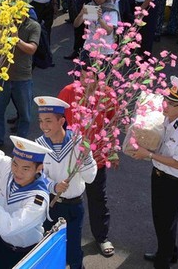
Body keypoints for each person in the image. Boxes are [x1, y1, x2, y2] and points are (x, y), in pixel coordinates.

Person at [131, 76, 178, 269]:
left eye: (171, 102)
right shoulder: (168, 119)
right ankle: (170, 253)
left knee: (164, 223)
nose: (165, 105)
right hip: (160, 176)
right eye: (166, 100)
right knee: (165, 220)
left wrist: (150, 155)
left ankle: (163, 262)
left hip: (173, 182)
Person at [0, 106, 52, 269]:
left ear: (39, 169)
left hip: (23, 254)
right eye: (15, 164)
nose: (17, 172)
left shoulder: (38, 199)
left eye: (25, 168)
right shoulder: (9, 168)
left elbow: (9, 227)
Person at [58, 75, 119, 258]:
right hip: (69, 157)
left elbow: (112, 124)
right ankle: (57, 237)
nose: (88, 79)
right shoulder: (68, 92)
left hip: (96, 157)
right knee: (63, 198)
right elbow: (56, 119)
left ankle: (101, 237)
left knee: (97, 198)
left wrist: (113, 151)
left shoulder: (108, 95)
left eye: (95, 74)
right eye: (85, 72)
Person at [33, 96, 97, 268]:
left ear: (61, 121)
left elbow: (90, 177)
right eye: (40, 121)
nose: (43, 126)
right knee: (46, 246)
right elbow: (35, 176)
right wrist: (53, 186)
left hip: (73, 206)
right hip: (50, 206)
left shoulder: (78, 142)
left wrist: (84, 157)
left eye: (48, 121)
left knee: (73, 252)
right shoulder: (38, 146)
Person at [0, 5, 40, 147]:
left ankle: (21, 142)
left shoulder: (33, 26)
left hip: (22, 78)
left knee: (25, 114)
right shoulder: (4, 24)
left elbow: (32, 49)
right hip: (1, 76)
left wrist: (16, 39)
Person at [72, 0, 116, 64]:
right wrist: (81, 14)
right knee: (83, 74)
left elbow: (109, 31)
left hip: (105, 50)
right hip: (89, 47)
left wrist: (99, 19)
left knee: (101, 76)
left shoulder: (112, 10)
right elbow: (76, 25)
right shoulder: (90, 6)